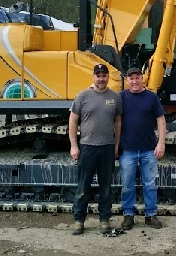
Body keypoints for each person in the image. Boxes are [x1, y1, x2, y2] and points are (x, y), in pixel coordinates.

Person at [68, 63, 122, 235]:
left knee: (105, 188)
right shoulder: (82, 96)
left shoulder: (115, 97)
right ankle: (79, 220)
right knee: (84, 186)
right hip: (87, 147)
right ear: (93, 77)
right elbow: (72, 121)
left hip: (107, 148)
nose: (101, 79)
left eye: (104, 76)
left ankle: (104, 219)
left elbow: (118, 122)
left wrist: (116, 144)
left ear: (108, 77)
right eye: (98, 76)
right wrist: (74, 146)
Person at [119, 67, 167, 230]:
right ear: (127, 80)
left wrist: (161, 143)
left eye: (137, 78)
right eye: (131, 78)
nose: (134, 81)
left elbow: (160, 119)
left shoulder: (152, 97)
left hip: (148, 149)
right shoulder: (121, 97)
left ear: (142, 78)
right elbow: (104, 98)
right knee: (127, 184)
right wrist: (92, 87)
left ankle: (150, 214)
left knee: (150, 184)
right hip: (128, 149)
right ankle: (128, 215)